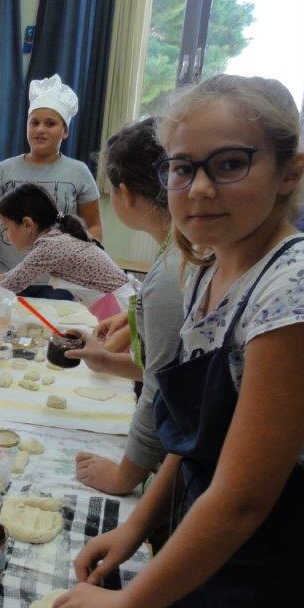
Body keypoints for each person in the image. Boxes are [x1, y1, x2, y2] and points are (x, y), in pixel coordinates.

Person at [51, 75, 304, 608]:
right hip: (212, 538)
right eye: (183, 168)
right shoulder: (210, 269)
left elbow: (244, 497)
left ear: (289, 172)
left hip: (293, 560)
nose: (200, 188)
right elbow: (197, 436)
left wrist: (126, 605)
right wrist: (134, 529)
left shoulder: (303, 286)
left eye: (230, 164)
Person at [67, 118, 184, 495]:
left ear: (125, 194)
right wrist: (106, 360)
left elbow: (162, 386)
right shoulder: (176, 252)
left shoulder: (172, 272)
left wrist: (125, 475)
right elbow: (170, 365)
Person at [0, 74, 102, 280]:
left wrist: (79, 260)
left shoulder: (79, 172)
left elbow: (93, 225)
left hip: (59, 282)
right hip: (4, 277)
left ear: (65, 131)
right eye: (34, 122)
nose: (40, 129)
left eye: (50, 123)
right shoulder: (5, 169)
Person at [0, 183, 128, 305]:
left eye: (6, 228)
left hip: (121, 305)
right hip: (118, 301)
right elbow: (10, 277)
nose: (5, 236)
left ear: (27, 224)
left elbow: (6, 289)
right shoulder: (56, 238)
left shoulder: (50, 246)